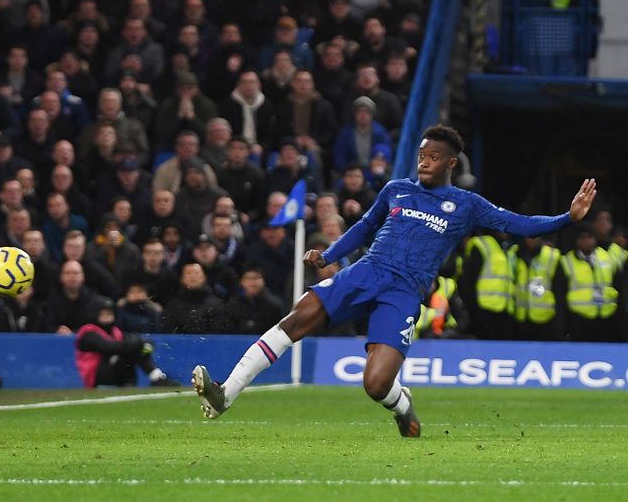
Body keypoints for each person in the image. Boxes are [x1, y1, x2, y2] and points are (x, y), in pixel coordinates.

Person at [192, 125, 597, 438]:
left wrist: (567, 218)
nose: (424, 161)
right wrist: (328, 256)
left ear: (451, 163)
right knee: (299, 317)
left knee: (375, 383)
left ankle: (402, 406)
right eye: (422, 154)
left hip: (404, 292)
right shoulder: (396, 190)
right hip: (366, 271)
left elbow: (518, 224)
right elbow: (364, 228)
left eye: (434, 156)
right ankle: (225, 393)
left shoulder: (467, 205)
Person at [75, 299, 178, 388]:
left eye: (109, 314)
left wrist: (145, 344)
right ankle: (156, 378)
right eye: (102, 314)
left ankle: (151, 378)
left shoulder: (115, 331)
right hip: (94, 375)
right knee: (130, 349)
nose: (106, 317)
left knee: (135, 348)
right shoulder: (88, 332)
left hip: (113, 369)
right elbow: (109, 347)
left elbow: (134, 340)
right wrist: (139, 344)